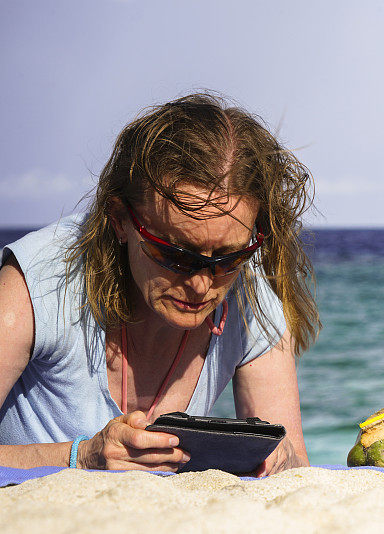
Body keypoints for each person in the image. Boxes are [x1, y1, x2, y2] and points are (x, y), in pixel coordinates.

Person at [0, 93, 320, 475]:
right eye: (177, 256)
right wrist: (81, 457)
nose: (203, 285)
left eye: (230, 258)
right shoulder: (40, 284)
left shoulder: (250, 302)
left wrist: (279, 462)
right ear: (119, 218)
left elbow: (297, 469)